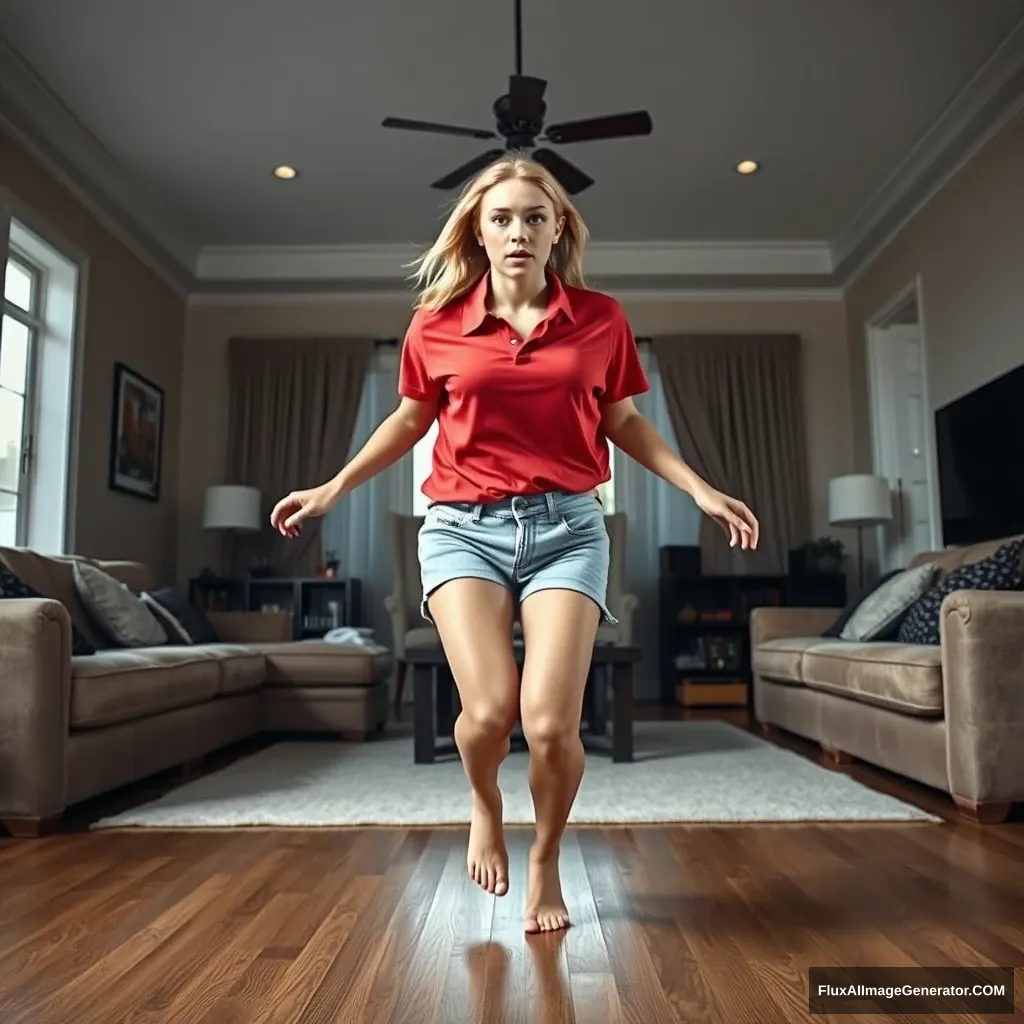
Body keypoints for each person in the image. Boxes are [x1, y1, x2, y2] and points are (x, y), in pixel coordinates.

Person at [270, 153, 759, 934]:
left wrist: (699, 488)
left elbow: (623, 421)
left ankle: (546, 859)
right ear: (479, 231)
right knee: (491, 711)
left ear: (558, 227)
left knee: (552, 725)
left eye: (535, 216)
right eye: (502, 218)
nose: (519, 231)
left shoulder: (601, 318)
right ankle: (484, 800)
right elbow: (408, 422)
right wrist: (333, 488)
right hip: (464, 531)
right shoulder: (436, 325)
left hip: (569, 528)